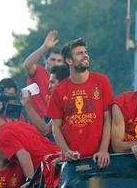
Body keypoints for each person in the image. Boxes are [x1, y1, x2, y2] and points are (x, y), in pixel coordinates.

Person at [47, 38, 113, 167]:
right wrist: (66, 152)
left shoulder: (102, 81)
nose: (85, 55)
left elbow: (108, 118)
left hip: (99, 158)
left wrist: (104, 150)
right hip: (73, 160)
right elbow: (56, 127)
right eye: (79, 53)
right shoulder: (59, 90)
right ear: (69, 61)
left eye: (85, 52)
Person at [23, 29, 65, 118]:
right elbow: (27, 65)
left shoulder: (64, 79)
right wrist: (44, 47)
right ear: (45, 60)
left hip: (55, 123)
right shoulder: (38, 72)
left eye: (59, 60)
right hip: (38, 123)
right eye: (52, 59)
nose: (56, 63)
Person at [21, 64, 70, 138]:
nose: (49, 86)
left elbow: (45, 131)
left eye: (52, 82)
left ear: (62, 83)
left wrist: (27, 105)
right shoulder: (60, 103)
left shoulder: (68, 103)